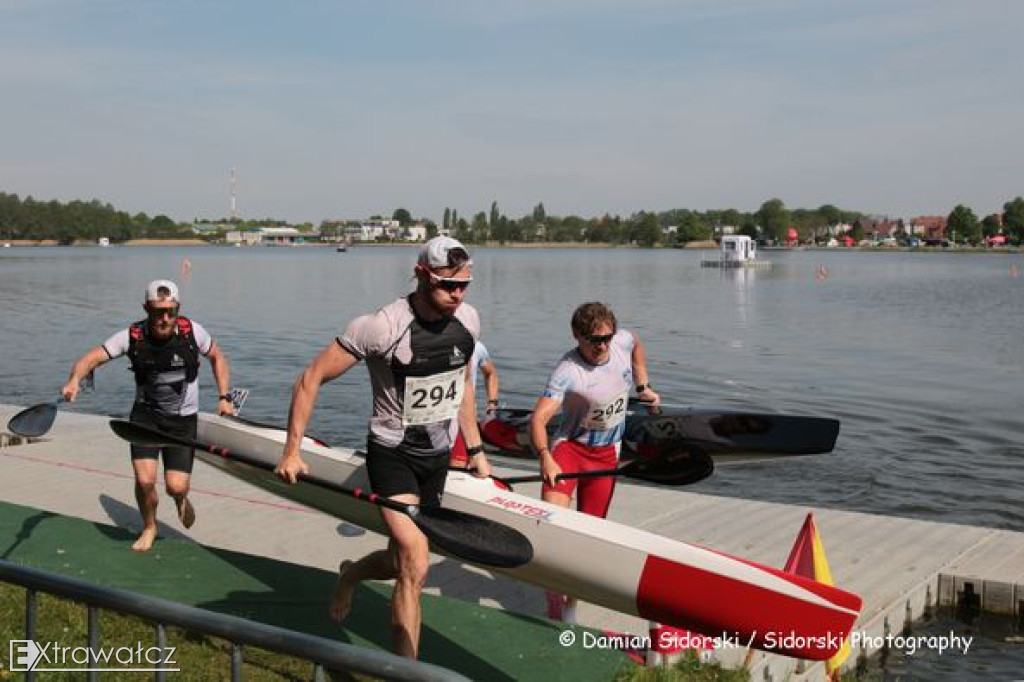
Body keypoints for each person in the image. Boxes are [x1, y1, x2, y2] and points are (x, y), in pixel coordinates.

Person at [274, 235, 491, 659]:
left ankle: (351, 574)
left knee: (398, 562)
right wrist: (292, 450)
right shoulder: (381, 327)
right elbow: (310, 378)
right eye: (449, 285)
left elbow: (462, 386)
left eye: (465, 284)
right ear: (422, 275)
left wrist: (477, 450)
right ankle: (405, 671)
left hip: (438, 456)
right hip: (392, 454)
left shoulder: (469, 320)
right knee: (415, 559)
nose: (458, 294)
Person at [61, 279, 234, 552]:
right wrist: (74, 381)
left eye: (170, 311)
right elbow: (92, 358)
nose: (164, 318)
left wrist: (224, 398)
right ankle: (150, 526)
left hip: (182, 421)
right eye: (157, 312)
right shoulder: (132, 336)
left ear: (177, 309)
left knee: (175, 487)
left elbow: (218, 358)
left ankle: (180, 499)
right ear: (146, 309)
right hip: (146, 418)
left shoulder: (193, 332)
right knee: (144, 481)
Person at [529, 302, 660, 623]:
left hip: (605, 455)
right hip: (569, 451)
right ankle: (553, 594)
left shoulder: (622, 341)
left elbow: (637, 345)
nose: (602, 346)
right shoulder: (567, 371)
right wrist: (545, 457)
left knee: (589, 538)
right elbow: (538, 419)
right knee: (552, 527)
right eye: (594, 340)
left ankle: (571, 605)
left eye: (607, 339)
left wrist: (643, 386)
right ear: (577, 336)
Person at [450, 340, 500, 467]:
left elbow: (490, 373)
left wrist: (492, 403)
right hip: (432, 418)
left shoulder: (477, 347)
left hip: (462, 419)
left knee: (456, 467)